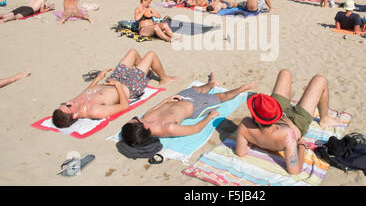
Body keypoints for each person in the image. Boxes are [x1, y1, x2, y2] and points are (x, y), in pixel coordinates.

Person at [235, 70, 345, 175]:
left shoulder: (245, 125)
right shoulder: (287, 135)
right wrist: (301, 146)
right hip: (297, 120)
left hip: (274, 113)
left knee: (285, 73)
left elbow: (241, 152)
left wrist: (254, 140)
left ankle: (281, 109)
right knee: (320, 80)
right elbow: (294, 170)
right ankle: (324, 119)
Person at [52, 49, 177, 128]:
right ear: (74, 116)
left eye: (64, 103)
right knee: (151, 54)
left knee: (133, 52)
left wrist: (98, 78)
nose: (69, 102)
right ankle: (163, 78)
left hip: (115, 78)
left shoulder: (75, 102)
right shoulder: (94, 111)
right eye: (68, 106)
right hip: (129, 87)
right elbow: (124, 106)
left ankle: (146, 72)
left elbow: (87, 91)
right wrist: (117, 85)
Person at [120, 73, 257, 145]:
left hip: (180, 97)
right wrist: (209, 116)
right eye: (135, 121)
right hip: (197, 105)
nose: (136, 118)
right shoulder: (168, 128)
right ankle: (243, 88)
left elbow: (149, 112)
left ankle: (211, 83)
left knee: (199, 88)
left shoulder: (145, 120)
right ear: (142, 127)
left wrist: (165, 101)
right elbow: (195, 129)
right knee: (222, 96)